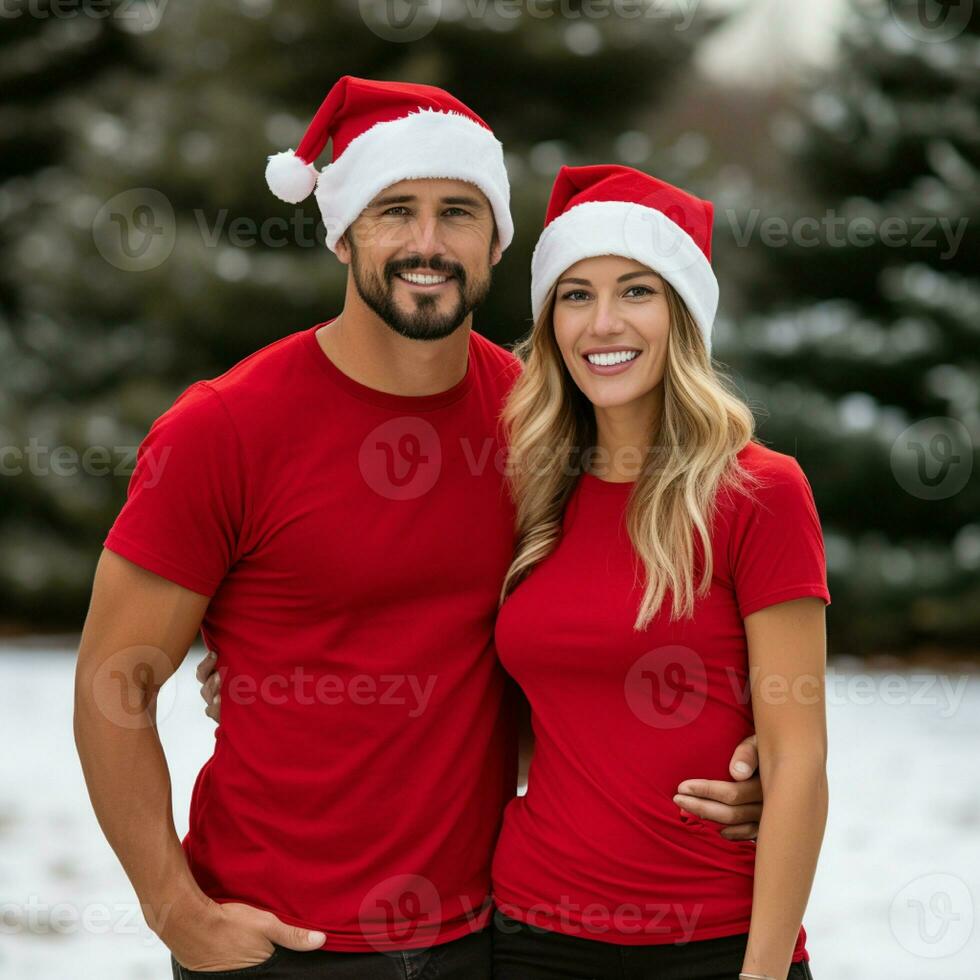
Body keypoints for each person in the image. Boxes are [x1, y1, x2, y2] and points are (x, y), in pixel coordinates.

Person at [76, 75, 770, 980]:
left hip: (493, 936)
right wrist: (180, 916)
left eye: (459, 211)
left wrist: (747, 758)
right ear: (343, 232)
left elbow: (611, 626)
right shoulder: (226, 428)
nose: (428, 243)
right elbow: (111, 684)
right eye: (394, 210)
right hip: (281, 944)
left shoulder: (541, 423)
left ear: (498, 242)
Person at [488, 164, 830, 980]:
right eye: (574, 294)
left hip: (713, 944)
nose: (603, 322)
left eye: (636, 290)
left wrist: (764, 974)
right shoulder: (530, 485)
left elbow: (798, 760)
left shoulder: (759, 491)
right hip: (533, 938)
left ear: (682, 313)